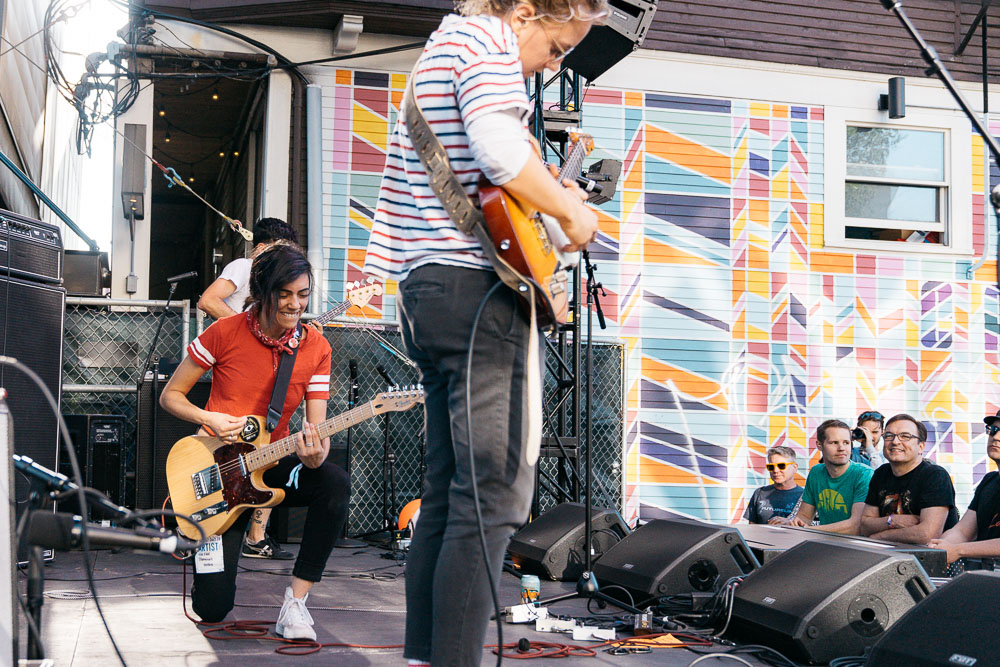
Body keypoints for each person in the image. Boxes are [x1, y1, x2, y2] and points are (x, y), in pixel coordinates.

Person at [362, 1, 605, 663]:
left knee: (450, 492)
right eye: (555, 47)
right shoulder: (490, 43)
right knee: (494, 492)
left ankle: (426, 652)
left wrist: (551, 201)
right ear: (524, 12)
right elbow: (500, 155)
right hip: (477, 297)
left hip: (427, 290)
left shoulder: (446, 45)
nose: (551, 65)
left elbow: (489, 177)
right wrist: (572, 217)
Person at [161, 241, 349, 639]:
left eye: (302, 295)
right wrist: (207, 416)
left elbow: (317, 429)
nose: (296, 305)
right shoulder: (223, 332)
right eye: (285, 295)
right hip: (218, 471)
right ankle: (206, 547)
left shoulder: (316, 348)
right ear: (262, 293)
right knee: (211, 609)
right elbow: (170, 396)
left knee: (332, 482)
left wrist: (315, 456)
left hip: (273, 461)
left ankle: (295, 605)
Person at [197, 217, 301, 560]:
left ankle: (255, 536)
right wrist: (244, 336)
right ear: (263, 248)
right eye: (282, 251)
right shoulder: (245, 266)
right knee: (221, 440)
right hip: (239, 366)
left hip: (268, 372)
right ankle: (202, 518)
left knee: (270, 443)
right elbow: (209, 300)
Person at [859, 413, 959, 544]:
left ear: (921, 447)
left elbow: (927, 534)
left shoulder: (935, 476)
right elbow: (865, 526)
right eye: (889, 436)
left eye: (905, 436)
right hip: (887, 557)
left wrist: (878, 537)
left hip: (929, 560)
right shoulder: (881, 474)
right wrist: (892, 521)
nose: (895, 442)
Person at [929, 410, 1000, 563]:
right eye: (993, 430)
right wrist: (939, 546)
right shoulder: (990, 481)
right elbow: (963, 531)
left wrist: (957, 550)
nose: (996, 437)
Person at [781, 419, 873, 533]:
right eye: (834, 442)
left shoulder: (864, 474)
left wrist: (808, 530)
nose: (841, 448)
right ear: (819, 445)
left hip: (858, 547)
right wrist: (793, 524)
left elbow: (855, 525)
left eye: (846, 443)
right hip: (825, 542)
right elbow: (804, 516)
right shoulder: (816, 472)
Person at [743, 446, 803, 525]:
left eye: (781, 466)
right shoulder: (760, 493)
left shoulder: (805, 496)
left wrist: (789, 523)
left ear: (794, 467)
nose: (775, 470)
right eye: (771, 467)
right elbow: (752, 527)